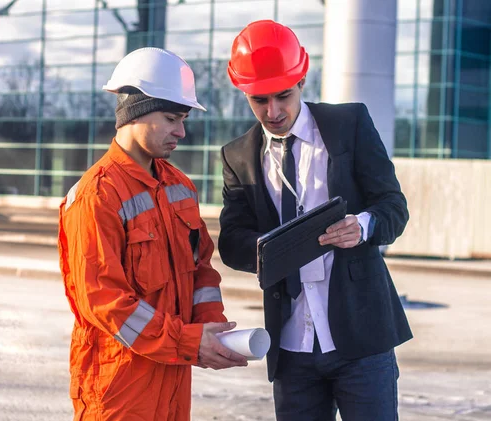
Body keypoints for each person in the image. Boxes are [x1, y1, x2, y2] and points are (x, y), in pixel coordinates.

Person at [218, 20, 412, 420]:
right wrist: (271, 251)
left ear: (302, 78)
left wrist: (364, 225)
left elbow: (393, 206)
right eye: (259, 100)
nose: (272, 111)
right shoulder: (237, 155)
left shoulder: (349, 125)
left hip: (361, 337)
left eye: (283, 96)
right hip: (291, 347)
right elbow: (232, 241)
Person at [58, 47, 247, 421]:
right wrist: (190, 341)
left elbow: (201, 270)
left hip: (173, 373)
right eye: (172, 118)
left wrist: (212, 327)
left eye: (183, 120)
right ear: (136, 112)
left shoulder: (180, 186)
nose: (182, 131)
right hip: (119, 387)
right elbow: (107, 302)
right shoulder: (97, 195)